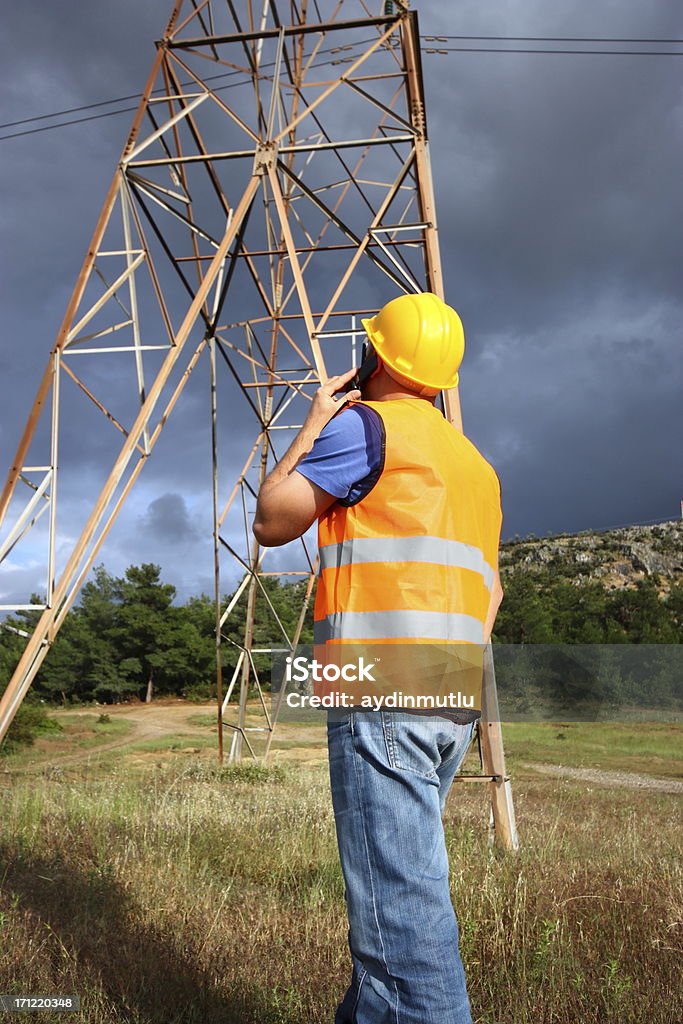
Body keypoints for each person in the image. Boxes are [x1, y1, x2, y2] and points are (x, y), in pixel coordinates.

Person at [253, 292, 504, 1024]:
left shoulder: (366, 427)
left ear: (374, 355)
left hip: (379, 690)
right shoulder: (472, 464)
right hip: (453, 696)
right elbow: (490, 592)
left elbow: (272, 519)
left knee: (403, 928)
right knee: (395, 914)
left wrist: (310, 425)